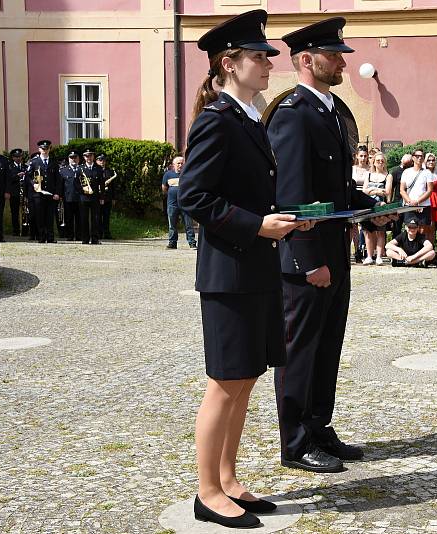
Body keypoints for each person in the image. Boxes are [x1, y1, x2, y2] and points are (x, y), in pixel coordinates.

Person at [177, 11, 307, 529]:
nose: (267, 64)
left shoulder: (248, 117)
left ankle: (229, 479)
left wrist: (282, 220)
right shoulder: (217, 119)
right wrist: (257, 225)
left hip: (254, 268)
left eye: (267, 56)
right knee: (225, 382)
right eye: (258, 56)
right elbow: (195, 197)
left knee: (246, 379)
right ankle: (207, 491)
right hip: (229, 272)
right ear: (228, 63)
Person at [267, 17, 384, 474]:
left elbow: (333, 190)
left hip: (335, 248)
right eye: (334, 54)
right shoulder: (294, 114)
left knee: (327, 343)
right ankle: (295, 442)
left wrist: (373, 205)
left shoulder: (330, 111)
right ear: (306, 60)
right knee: (300, 349)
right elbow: (292, 198)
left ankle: (318, 426)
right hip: (308, 256)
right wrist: (309, 260)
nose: (341, 61)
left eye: (341, 54)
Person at [26, 140, 62, 243]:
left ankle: (50, 237)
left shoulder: (54, 162)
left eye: (47, 149)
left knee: (50, 216)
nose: (45, 151)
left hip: (50, 194)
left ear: (49, 149)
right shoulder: (34, 162)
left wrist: (57, 193)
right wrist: (34, 184)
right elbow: (28, 177)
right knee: (40, 216)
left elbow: (58, 180)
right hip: (38, 194)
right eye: (43, 149)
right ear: (39, 149)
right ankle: (41, 236)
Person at [361, 151, 392, 264]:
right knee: (368, 231)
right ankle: (369, 256)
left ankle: (379, 256)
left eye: (382, 161)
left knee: (380, 231)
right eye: (378, 161)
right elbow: (364, 191)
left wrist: (372, 190)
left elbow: (387, 192)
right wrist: (378, 190)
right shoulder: (368, 174)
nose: (380, 162)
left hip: (381, 206)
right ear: (373, 162)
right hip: (367, 205)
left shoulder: (388, 175)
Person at [400, 148, 434, 246]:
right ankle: (410, 252)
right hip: (409, 205)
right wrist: (411, 202)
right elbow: (402, 190)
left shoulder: (427, 172)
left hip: (423, 205)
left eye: (421, 156)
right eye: (417, 156)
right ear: (413, 158)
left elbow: (429, 190)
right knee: (410, 229)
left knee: (422, 231)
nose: (419, 158)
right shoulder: (406, 172)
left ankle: (421, 254)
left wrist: (418, 202)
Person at [162, 156, 197, 250]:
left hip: (186, 204)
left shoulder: (187, 174)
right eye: (178, 163)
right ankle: (172, 243)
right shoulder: (168, 175)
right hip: (172, 204)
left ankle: (192, 243)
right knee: (172, 225)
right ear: (174, 165)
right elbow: (164, 188)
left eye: (182, 163)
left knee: (188, 225)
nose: (180, 165)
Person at [78, 148, 103, 245]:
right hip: (84, 197)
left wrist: (102, 197)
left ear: (93, 156)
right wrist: (83, 190)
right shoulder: (80, 169)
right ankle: (85, 239)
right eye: (86, 156)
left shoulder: (99, 168)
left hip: (95, 197)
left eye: (90, 155)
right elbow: (76, 183)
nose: (88, 157)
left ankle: (95, 239)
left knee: (95, 218)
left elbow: (102, 184)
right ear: (84, 157)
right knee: (84, 218)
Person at [387, 153, 412, 240]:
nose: (406, 165)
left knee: (410, 224)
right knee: (397, 226)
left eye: (408, 163)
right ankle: (395, 243)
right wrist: (389, 202)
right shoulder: (395, 171)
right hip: (398, 201)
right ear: (401, 161)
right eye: (405, 164)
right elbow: (391, 188)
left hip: (409, 201)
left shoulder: (412, 170)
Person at [59, 150, 82, 241]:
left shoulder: (82, 169)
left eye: (75, 157)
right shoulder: (63, 171)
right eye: (71, 158)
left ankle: (79, 235)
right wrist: (60, 196)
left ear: (78, 159)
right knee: (68, 218)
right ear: (68, 159)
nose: (73, 159)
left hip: (80, 198)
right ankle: (70, 235)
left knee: (80, 218)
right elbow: (61, 185)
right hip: (68, 198)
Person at [424, 152, 437, 245]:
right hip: (424, 200)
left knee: (432, 227)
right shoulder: (422, 173)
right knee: (423, 227)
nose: (431, 162)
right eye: (428, 160)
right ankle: (421, 248)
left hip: (436, 200)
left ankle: (431, 248)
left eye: (433, 160)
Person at [6, 148, 26, 237]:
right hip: (14, 193)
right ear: (13, 158)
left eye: (20, 156)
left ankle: (25, 230)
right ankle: (16, 230)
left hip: (24, 193)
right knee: (15, 213)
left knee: (25, 212)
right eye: (16, 157)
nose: (18, 158)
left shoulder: (25, 166)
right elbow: (8, 180)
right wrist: (17, 176)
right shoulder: (9, 167)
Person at [96, 153, 116, 239]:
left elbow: (114, 186)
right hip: (98, 197)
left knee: (106, 216)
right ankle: (99, 233)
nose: (102, 162)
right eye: (100, 160)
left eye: (103, 160)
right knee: (98, 216)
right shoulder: (95, 170)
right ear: (96, 161)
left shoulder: (110, 171)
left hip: (107, 197)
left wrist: (114, 198)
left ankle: (107, 233)